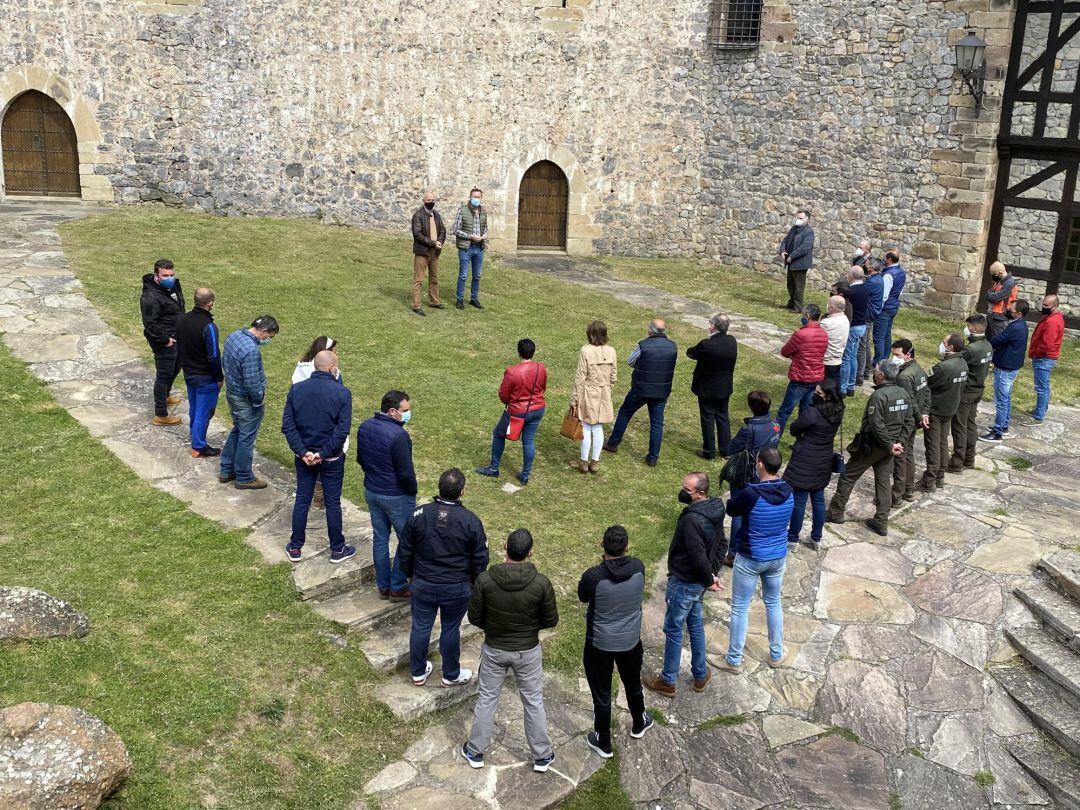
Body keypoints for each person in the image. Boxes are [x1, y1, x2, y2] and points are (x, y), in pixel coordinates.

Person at [462, 529, 558, 773]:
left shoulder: (484, 580)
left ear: (504, 547)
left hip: (495, 648)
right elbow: (550, 620)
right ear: (531, 552)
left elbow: (474, 617)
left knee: (487, 698)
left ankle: (475, 751)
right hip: (527, 650)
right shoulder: (541, 583)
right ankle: (542, 756)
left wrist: (494, 628)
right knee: (533, 701)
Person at [398, 468, 489, 688]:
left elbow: (405, 550)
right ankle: (450, 674)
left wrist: (409, 574)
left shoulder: (419, 515)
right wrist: (473, 583)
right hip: (456, 588)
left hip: (423, 583)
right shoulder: (470, 521)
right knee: (450, 629)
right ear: (462, 492)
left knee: (420, 627)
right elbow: (480, 559)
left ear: (439, 488)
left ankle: (418, 672)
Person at [642, 473, 725, 697]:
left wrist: (709, 578)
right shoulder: (716, 509)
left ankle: (668, 680)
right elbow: (721, 544)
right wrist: (712, 574)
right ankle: (700, 674)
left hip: (684, 581)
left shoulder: (692, 520)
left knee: (673, 629)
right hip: (698, 582)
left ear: (700, 493)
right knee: (695, 625)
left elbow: (698, 556)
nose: (682, 492)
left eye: (686, 490)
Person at [578, 525, 652, 758]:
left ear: (602, 544)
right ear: (627, 546)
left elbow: (582, 596)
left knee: (601, 693)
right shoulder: (638, 567)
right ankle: (639, 721)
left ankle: (603, 739)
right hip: (630, 640)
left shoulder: (593, 577)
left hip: (599, 643)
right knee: (632, 683)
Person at [721, 448, 794, 672]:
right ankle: (776, 652)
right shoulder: (789, 489)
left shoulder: (751, 493)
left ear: (760, 465)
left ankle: (734, 659)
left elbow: (732, 509)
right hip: (777, 557)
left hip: (751, 557)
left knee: (740, 607)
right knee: (773, 603)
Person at [281, 350, 355, 564]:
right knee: (332, 503)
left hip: (304, 458)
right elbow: (342, 432)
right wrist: (322, 454)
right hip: (330, 459)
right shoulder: (342, 393)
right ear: (332, 368)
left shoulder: (297, 390)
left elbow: (288, 425)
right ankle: (337, 549)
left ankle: (295, 546)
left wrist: (303, 452)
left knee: (302, 500)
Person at [827, 360, 913, 537]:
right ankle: (881, 521)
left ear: (881, 375)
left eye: (876, 371)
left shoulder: (879, 396)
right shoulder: (903, 394)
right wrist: (898, 444)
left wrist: (890, 444)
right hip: (891, 447)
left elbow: (876, 425)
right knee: (883, 483)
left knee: (849, 475)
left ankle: (835, 512)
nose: (874, 372)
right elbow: (909, 421)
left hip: (873, 446)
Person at [357, 390, 417, 600]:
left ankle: (383, 586)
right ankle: (398, 585)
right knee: (407, 540)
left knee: (380, 538)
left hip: (372, 491)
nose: (408, 414)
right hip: (396, 495)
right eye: (405, 410)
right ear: (392, 411)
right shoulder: (399, 436)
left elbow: (360, 460)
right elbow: (405, 472)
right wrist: (412, 491)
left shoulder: (365, 427)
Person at [603, 319, 678, 467]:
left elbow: (631, 361)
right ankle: (653, 457)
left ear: (650, 331)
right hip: (661, 391)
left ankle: (613, 443)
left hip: (641, 389)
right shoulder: (673, 346)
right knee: (657, 424)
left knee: (625, 413)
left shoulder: (643, 345)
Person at [782, 380, 844, 549]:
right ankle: (817, 537)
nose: (815, 394)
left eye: (819, 392)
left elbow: (794, 429)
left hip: (805, 460)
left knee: (799, 501)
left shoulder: (812, 413)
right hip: (823, 460)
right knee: (818, 500)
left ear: (827, 395)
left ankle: (793, 538)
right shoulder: (839, 410)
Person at [476, 339, 548, 485]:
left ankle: (494, 467)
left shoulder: (512, 372)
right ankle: (525, 475)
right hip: (537, 408)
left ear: (518, 352)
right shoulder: (541, 368)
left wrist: (511, 403)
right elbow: (543, 387)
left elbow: (504, 394)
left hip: (517, 412)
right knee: (528, 441)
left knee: (498, 434)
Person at [220, 315, 279, 490]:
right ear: (264, 331)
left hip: (232, 393)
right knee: (247, 437)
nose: (268, 340)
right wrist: (259, 399)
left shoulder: (234, 336)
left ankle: (226, 469)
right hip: (246, 400)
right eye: (270, 336)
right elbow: (252, 383)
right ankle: (244, 477)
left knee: (238, 431)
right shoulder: (251, 350)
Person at [725, 390, 782, 558]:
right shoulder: (775, 424)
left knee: (739, 512)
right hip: (765, 471)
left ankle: (733, 553)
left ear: (752, 407)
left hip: (747, 473)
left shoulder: (749, 428)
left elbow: (732, 448)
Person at [292, 336, 343, 509]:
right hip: (319, 429)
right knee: (329, 500)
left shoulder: (305, 369)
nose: (336, 355)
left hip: (305, 436)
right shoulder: (310, 372)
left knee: (301, 500)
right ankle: (319, 495)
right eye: (333, 351)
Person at [175, 287, 223, 458]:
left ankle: (194, 437)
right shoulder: (209, 326)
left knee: (194, 409)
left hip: (189, 373)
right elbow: (214, 356)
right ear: (210, 303)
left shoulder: (182, 319)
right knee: (204, 412)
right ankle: (199, 446)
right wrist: (219, 377)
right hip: (205, 377)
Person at [140, 258, 186, 426]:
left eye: (172, 274)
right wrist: (165, 340)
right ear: (156, 275)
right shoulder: (150, 297)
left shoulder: (172, 286)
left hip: (178, 335)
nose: (170, 278)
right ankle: (161, 414)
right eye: (165, 275)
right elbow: (150, 323)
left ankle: (166, 395)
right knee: (164, 374)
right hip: (164, 340)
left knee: (177, 366)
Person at [687, 313, 738, 459]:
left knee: (707, 418)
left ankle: (709, 451)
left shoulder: (706, 344)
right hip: (724, 387)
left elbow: (691, 352)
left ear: (713, 326)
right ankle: (726, 450)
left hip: (707, 388)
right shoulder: (731, 341)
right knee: (723, 417)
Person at [569, 321, 617, 474]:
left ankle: (584, 462)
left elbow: (580, 377)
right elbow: (613, 376)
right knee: (598, 427)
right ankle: (594, 462)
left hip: (588, 391)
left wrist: (574, 399)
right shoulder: (611, 351)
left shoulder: (586, 350)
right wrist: (606, 388)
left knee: (587, 427)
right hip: (603, 392)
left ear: (590, 334)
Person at [982, 300, 1031, 443]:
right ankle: (1003, 426)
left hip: (1005, 367)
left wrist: (987, 341)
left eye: (1010, 309)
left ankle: (997, 433)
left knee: (1001, 400)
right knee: (1007, 398)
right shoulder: (1020, 325)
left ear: (1018, 313)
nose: (1007, 310)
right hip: (1012, 366)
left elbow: (998, 340)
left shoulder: (1015, 327)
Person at [949, 314, 993, 472]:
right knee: (970, 424)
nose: (966, 330)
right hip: (978, 389)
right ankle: (969, 458)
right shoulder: (987, 345)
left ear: (973, 328)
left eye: (968, 327)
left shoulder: (970, 349)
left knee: (959, 426)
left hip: (966, 392)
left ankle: (957, 462)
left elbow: (955, 363)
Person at [776, 304, 829, 432]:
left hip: (800, 378)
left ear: (808, 316)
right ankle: (800, 442)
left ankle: (773, 442)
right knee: (805, 414)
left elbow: (784, 351)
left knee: (783, 413)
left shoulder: (801, 334)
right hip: (815, 378)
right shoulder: (824, 334)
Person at [890, 339, 931, 504]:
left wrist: (920, 415)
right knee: (909, 455)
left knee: (900, 457)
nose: (894, 358)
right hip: (916, 419)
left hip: (906, 421)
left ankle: (896, 495)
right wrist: (925, 413)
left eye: (897, 355)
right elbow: (927, 392)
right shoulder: (918, 369)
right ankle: (908, 491)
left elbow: (910, 400)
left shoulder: (904, 377)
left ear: (908, 355)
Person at [1027, 294, 1065, 424]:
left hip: (1043, 358)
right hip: (1046, 357)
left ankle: (1038, 416)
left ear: (1055, 306)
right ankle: (1042, 409)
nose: (1043, 307)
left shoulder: (1052, 322)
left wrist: (1037, 353)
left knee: (1041, 388)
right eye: (1043, 304)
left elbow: (1047, 343)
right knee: (1045, 386)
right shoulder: (1054, 317)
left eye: (1047, 305)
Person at [410, 190, 447, 316]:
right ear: (423, 201)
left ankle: (434, 301)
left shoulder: (436, 215)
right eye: (428, 200)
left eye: (433, 200)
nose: (431, 202)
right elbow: (418, 235)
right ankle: (416, 305)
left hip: (435, 252)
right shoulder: (418, 216)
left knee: (434, 278)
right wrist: (433, 243)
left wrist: (440, 242)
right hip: (422, 252)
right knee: (418, 280)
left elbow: (443, 230)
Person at [454, 187, 488, 310]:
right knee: (463, 275)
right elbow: (455, 230)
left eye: (478, 197)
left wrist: (484, 235)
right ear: (470, 197)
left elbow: (485, 228)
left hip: (479, 248)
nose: (476, 199)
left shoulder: (483, 212)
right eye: (474, 196)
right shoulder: (462, 210)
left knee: (477, 275)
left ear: (481, 198)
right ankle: (459, 299)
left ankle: (474, 298)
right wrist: (470, 236)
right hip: (466, 248)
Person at [873, 250, 907, 365]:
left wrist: (878, 309)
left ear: (889, 260)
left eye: (884, 257)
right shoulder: (901, 272)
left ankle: (878, 362)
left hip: (885, 308)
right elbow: (900, 291)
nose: (883, 259)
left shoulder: (888, 274)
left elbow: (884, 295)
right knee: (887, 334)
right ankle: (886, 357)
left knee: (879, 336)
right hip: (893, 306)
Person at [841, 266, 870, 396]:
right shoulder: (865, 288)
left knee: (847, 358)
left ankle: (843, 387)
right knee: (853, 356)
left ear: (851, 276)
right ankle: (851, 386)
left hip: (853, 326)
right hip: (862, 325)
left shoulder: (850, 291)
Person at [778, 209, 814, 310]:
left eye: (800, 218)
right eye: (797, 218)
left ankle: (798, 306)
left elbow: (805, 247)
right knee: (790, 284)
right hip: (791, 262)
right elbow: (785, 240)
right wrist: (782, 251)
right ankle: (792, 302)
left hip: (800, 263)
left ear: (807, 219)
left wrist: (791, 256)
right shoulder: (794, 228)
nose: (798, 220)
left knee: (799, 286)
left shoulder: (809, 232)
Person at [862, 258, 885, 383]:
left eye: (866, 264)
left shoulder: (873, 282)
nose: (864, 266)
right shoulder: (876, 279)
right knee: (865, 343)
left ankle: (864, 371)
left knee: (863, 344)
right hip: (871, 314)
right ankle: (865, 369)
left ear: (871, 268)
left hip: (867, 315)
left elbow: (861, 291)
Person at [985, 261, 1019, 339]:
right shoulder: (998, 281)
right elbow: (989, 294)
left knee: (998, 340)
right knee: (989, 339)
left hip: (1001, 317)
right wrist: (990, 295)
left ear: (1000, 273)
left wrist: (990, 295)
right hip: (992, 315)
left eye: (994, 275)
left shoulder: (1010, 284)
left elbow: (996, 298)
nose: (993, 277)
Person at [821, 295, 850, 382]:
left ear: (832, 307)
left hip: (826, 361)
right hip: (837, 360)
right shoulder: (845, 319)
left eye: (828, 303)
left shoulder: (826, 323)